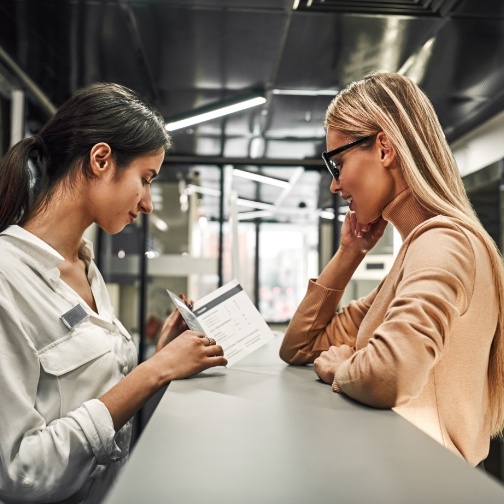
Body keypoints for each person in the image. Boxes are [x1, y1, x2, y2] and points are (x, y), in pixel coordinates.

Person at [0, 82, 227, 504]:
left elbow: (100, 409)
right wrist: (151, 372)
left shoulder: (85, 266)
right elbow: (17, 472)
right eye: (145, 178)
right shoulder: (6, 277)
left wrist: (162, 360)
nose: (148, 204)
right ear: (101, 160)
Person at [279, 72, 504, 467]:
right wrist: (349, 253)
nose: (335, 185)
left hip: (427, 484)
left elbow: (391, 372)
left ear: (384, 148)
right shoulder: (418, 251)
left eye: (339, 163)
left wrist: (341, 367)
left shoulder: (443, 242)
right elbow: (299, 347)